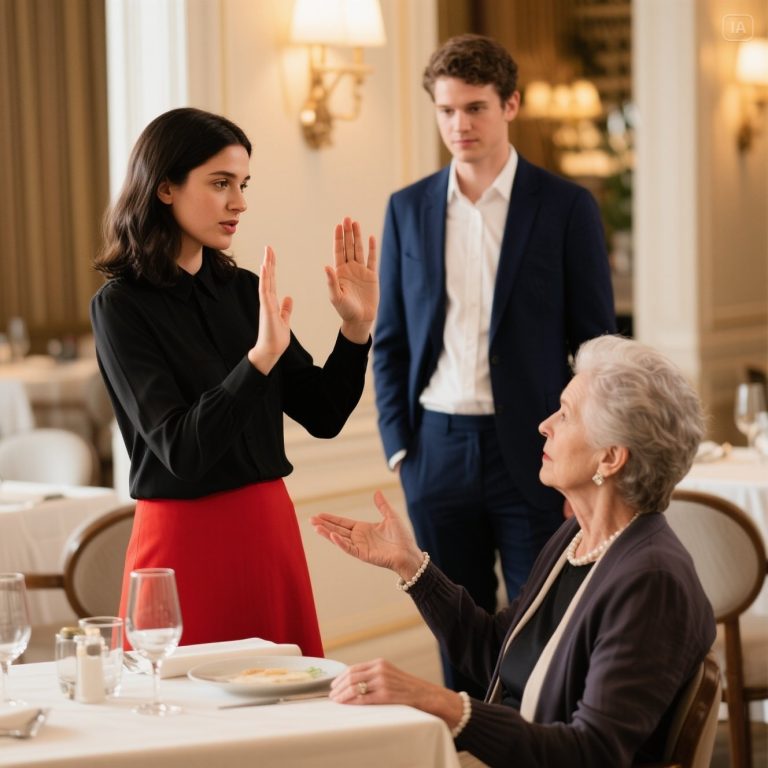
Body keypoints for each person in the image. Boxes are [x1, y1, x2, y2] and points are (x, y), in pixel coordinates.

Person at [313, 335, 715, 767]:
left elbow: (593, 753)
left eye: (566, 414)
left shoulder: (651, 581)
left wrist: (444, 703)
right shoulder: (576, 539)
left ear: (611, 458)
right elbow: (497, 653)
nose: (545, 424)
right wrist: (412, 566)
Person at [372, 33, 616, 696]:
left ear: (511, 105)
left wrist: (584, 458)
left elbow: (596, 348)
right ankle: (467, 748)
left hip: (538, 449)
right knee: (456, 623)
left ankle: (544, 748)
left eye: (475, 108)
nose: (460, 125)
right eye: (447, 110)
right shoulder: (408, 209)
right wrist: (401, 450)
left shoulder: (565, 207)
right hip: (436, 451)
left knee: (547, 619)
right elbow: (390, 340)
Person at [90, 107, 378, 655]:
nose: (239, 202)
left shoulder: (245, 291)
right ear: (166, 187)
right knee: (183, 723)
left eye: (242, 184)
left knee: (284, 716)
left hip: (266, 531)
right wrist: (259, 360)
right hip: (181, 546)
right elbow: (181, 450)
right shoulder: (120, 307)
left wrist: (355, 329)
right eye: (220, 183)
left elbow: (324, 414)